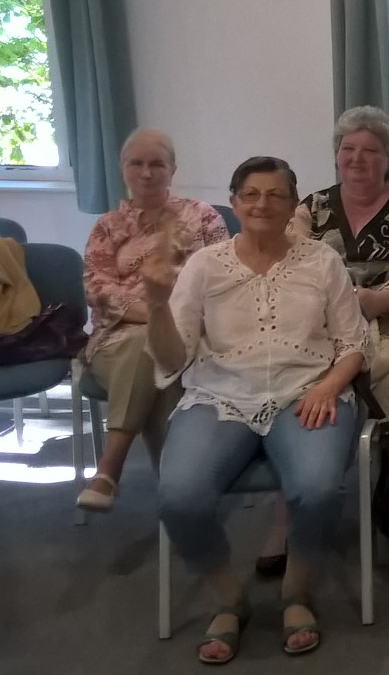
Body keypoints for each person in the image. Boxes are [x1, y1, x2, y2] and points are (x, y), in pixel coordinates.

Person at [148, 156, 370, 662]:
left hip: (305, 391)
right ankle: (228, 600)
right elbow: (172, 358)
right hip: (219, 396)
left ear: (293, 206)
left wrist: (330, 386)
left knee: (317, 488)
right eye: (250, 194)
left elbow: (353, 343)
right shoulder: (205, 266)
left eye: (275, 195)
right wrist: (157, 305)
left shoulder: (322, 261)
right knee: (179, 497)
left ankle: (296, 593)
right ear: (234, 203)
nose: (262, 204)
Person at [76, 128, 228, 512]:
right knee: (149, 347)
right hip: (117, 339)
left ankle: (117, 472)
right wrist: (157, 316)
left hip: (191, 336)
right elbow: (98, 288)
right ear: (122, 168)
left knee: (162, 358)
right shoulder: (107, 226)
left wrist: (173, 323)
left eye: (157, 164)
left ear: (173, 169)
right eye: (137, 164)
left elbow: (225, 277)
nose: (146, 173)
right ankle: (179, 491)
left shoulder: (202, 216)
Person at [293, 105, 389, 443]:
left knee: (388, 376)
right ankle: (318, 454)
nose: (356, 158)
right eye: (348, 148)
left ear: (388, 160)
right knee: (296, 369)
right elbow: (288, 264)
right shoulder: (312, 207)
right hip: (322, 323)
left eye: (370, 151)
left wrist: (376, 301)